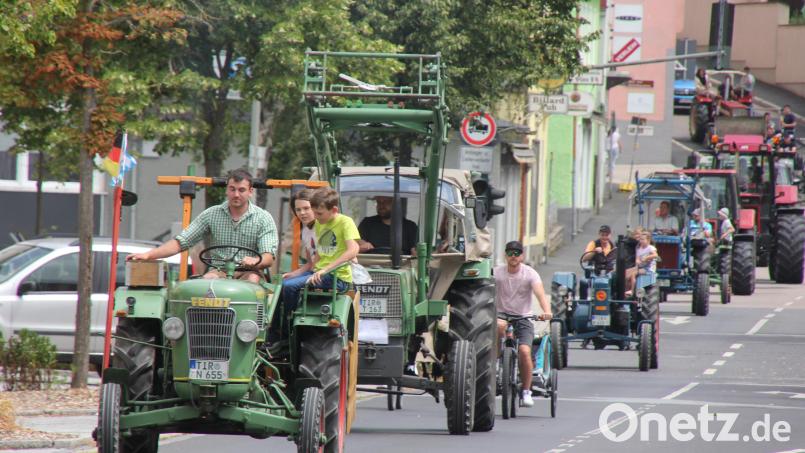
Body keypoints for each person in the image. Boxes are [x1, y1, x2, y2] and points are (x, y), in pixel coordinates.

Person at [127, 168, 277, 283]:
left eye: (241, 190)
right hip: (219, 270)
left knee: (252, 281)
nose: (236, 194)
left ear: (250, 192)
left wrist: (255, 261)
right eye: (232, 189)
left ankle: (250, 324)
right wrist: (148, 255)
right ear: (227, 189)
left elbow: (268, 257)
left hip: (250, 271)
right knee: (207, 282)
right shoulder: (211, 214)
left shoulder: (263, 218)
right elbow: (182, 242)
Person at [280, 187, 360, 317]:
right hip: (322, 273)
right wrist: (309, 270)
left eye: (319, 214)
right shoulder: (319, 223)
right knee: (283, 284)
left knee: (290, 286)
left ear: (334, 210)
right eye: (298, 209)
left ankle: (287, 323)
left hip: (337, 277)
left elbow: (353, 249)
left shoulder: (345, 222)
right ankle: (280, 323)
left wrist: (324, 269)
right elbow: (319, 252)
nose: (315, 217)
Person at [494, 240, 552, 408]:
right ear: (505, 255)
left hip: (523, 317)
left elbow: (540, 294)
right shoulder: (497, 273)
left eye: (517, 253)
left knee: (525, 352)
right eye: (510, 253)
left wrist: (546, 311)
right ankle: (497, 358)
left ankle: (526, 391)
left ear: (522, 256)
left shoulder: (530, 274)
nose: (513, 256)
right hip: (502, 315)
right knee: (499, 326)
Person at [282, 189, 317, 280]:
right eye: (298, 210)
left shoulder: (327, 228)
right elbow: (311, 264)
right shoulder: (306, 231)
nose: (302, 213)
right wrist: (292, 274)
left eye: (306, 208)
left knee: (289, 286)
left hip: (330, 275)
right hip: (315, 272)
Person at [625, 232, 658, 298]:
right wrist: (638, 261)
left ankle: (632, 291)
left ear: (648, 240)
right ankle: (626, 290)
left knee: (633, 273)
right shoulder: (639, 249)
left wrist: (646, 258)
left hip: (648, 269)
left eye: (643, 239)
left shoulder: (650, 248)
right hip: (640, 267)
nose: (641, 241)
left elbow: (655, 255)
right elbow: (637, 259)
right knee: (626, 273)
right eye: (640, 239)